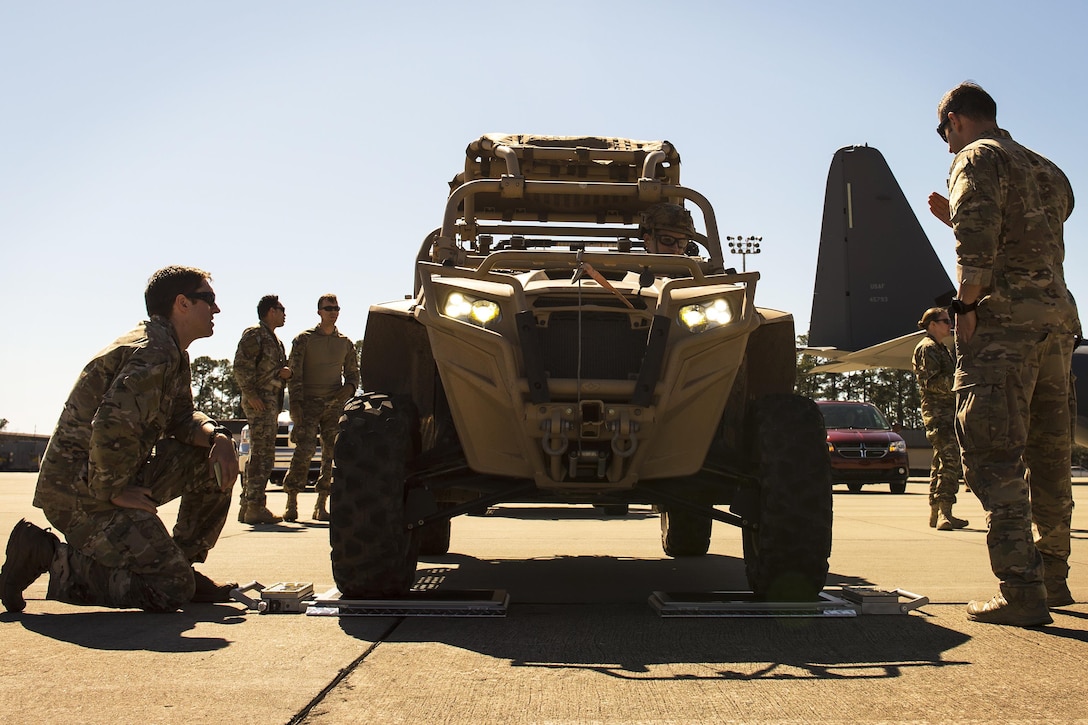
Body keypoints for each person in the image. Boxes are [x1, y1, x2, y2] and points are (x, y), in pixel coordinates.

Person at [0, 266, 240, 613]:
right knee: (170, 590)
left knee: (211, 462)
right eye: (209, 300)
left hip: (106, 476)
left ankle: (180, 563)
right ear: (182, 304)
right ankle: (48, 555)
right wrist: (112, 491)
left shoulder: (170, 351)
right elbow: (108, 424)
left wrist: (217, 436)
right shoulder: (152, 353)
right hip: (81, 492)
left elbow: (182, 418)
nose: (216, 310)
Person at [928, 82, 1080, 626]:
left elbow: (977, 242)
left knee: (993, 452)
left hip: (1004, 329)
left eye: (943, 130)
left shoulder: (977, 157)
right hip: (1057, 323)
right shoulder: (1047, 168)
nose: (946, 144)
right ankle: (1054, 576)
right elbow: (1035, 235)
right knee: (1050, 450)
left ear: (958, 120)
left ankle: (1021, 590)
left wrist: (965, 305)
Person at [282, 293, 359, 522]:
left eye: (336, 308)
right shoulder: (303, 340)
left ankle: (321, 504)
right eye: (328, 308)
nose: (333, 312)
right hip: (308, 404)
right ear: (319, 311)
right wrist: (295, 404)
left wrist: (349, 389)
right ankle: (291, 501)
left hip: (334, 405)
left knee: (331, 455)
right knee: (303, 453)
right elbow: (293, 373)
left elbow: (354, 373)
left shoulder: (345, 343)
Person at [233, 294, 292, 525]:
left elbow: (272, 371)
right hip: (260, 403)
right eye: (281, 309)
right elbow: (240, 365)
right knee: (262, 456)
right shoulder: (254, 335)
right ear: (270, 311)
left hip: (270, 402)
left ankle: (247, 505)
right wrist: (251, 395)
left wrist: (286, 373)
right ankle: (255, 506)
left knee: (260, 454)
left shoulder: (275, 340)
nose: (284, 313)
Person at [912, 306, 968, 531]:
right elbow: (931, 382)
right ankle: (945, 511)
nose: (949, 324)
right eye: (945, 321)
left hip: (946, 413)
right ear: (932, 324)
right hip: (939, 414)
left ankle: (936, 512)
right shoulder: (928, 348)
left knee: (940, 462)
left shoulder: (939, 348)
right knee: (950, 461)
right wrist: (960, 382)